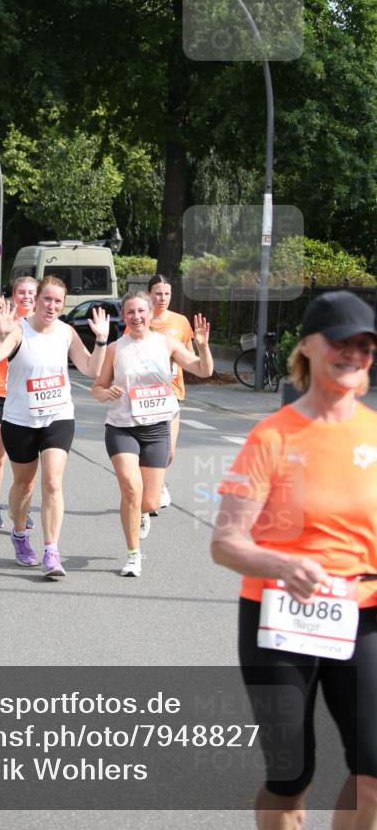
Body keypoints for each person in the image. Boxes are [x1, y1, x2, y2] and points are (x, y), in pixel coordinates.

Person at [210, 290, 377, 830]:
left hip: (365, 613)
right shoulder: (273, 436)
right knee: (291, 776)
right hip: (279, 617)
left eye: (365, 345)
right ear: (308, 345)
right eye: (340, 341)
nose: (353, 353)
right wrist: (283, 566)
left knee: (373, 769)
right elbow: (225, 542)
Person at [0, 276, 110, 579]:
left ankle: (52, 550)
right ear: (36, 300)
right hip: (19, 419)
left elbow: (92, 369)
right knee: (24, 485)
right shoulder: (18, 331)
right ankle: (20, 533)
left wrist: (101, 341)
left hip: (58, 416)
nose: (52, 306)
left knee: (52, 482)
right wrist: (0, 335)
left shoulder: (66, 332)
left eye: (58, 301)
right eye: (47, 299)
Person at [91, 291, 213, 577]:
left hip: (157, 428)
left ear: (149, 314)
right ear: (123, 315)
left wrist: (203, 347)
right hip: (122, 427)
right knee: (131, 489)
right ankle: (133, 554)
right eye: (130, 312)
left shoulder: (166, 344)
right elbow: (97, 387)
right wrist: (105, 393)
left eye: (141, 311)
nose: (136, 317)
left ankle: (141, 511)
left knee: (150, 501)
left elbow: (203, 370)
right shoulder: (115, 349)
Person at [0, 276, 38, 528]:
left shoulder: (44, 323)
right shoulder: (5, 320)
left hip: (29, 398)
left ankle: (21, 507)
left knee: (26, 461)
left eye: (31, 292)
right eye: (21, 292)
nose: (26, 296)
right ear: (13, 296)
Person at [147, 273, 195, 513]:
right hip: (145, 395)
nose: (162, 298)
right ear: (149, 295)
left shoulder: (181, 322)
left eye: (166, 294)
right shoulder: (139, 320)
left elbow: (189, 354)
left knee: (170, 450)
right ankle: (151, 491)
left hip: (173, 391)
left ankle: (159, 481)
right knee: (152, 446)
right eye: (158, 293)